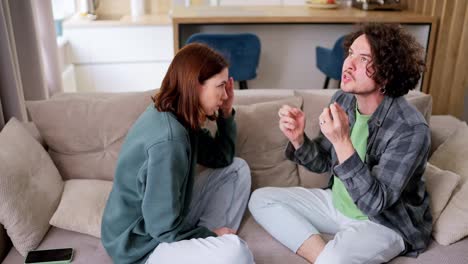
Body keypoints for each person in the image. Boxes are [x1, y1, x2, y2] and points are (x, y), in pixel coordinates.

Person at [249, 23, 431, 264]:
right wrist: (299, 139)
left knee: (336, 259)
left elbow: (374, 203)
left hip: (382, 222)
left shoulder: (410, 129)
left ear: (387, 73)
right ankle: (321, 257)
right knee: (260, 199)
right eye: (350, 53)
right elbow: (325, 161)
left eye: (364, 58)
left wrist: (343, 141)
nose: (349, 64)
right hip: (336, 204)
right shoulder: (344, 100)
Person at [101, 43, 254, 264]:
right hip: (141, 247)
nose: (225, 93)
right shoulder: (169, 140)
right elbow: (161, 228)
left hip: (166, 221)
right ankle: (213, 244)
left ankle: (209, 245)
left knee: (237, 169)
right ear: (196, 86)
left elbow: (221, 158)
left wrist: (226, 112)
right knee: (237, 252)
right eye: (220, 86)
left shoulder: (178, 114)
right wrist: (211, 236)